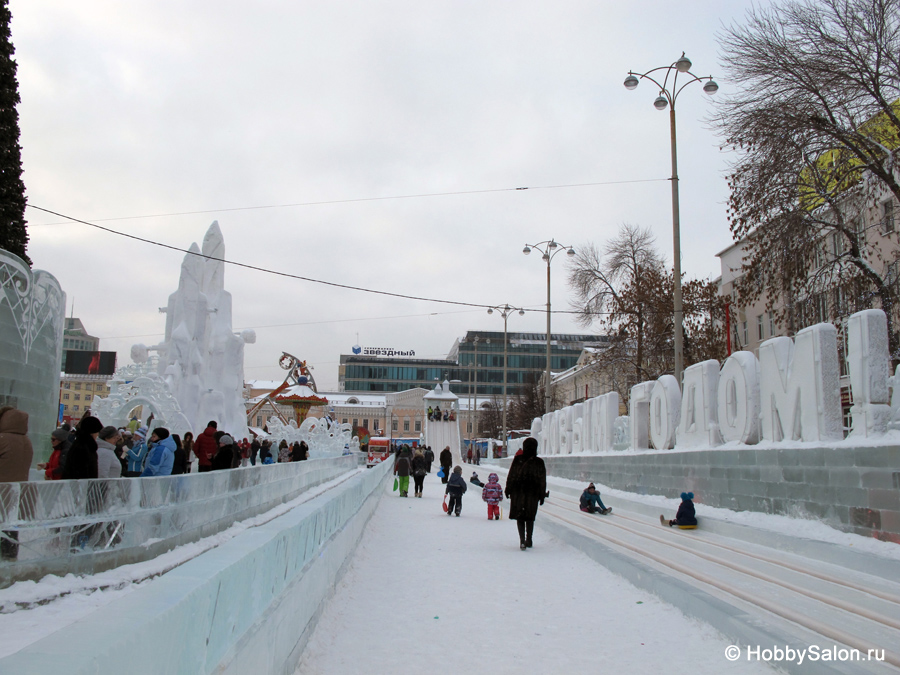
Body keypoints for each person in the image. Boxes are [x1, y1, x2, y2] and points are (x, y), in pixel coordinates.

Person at [0, 407, 34, 560]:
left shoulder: (3, 439)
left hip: (1, 488)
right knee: (10, 526)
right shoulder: (26, 441)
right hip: (16, 491)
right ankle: (10, 554)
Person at [505, 436, 546, 550]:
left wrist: (508, 489)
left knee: (520, 517)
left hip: (518, 492)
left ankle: (522, 540)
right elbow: (542, 480)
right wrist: (541, 495)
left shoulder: (518, 460)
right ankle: (529, 539)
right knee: (530, 517)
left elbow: (512, 475)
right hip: (532, 494)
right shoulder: (539, 462)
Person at [62, 416, 104, 480]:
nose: (97, 435)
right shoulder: (83, 447)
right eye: (97, 432)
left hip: (81, 486)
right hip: (80, 487)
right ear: (92, 432)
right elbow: (81, 471)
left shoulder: (84, 444)